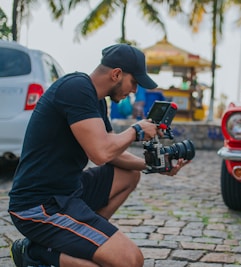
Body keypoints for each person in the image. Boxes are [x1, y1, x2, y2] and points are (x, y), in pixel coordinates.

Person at [8, 43, 189, 267]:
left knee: (128, 175)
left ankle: (86, 242)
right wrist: (137, 131)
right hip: (39, 205)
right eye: (134, 82)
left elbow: (113, 152)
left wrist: (150, 166)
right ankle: (35, 253)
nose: (134, 90)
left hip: (69, 191)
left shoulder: (96, 101)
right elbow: (101, 153)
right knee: (129, 261)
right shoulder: (76, 88)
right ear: (116, 74)